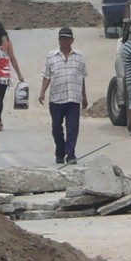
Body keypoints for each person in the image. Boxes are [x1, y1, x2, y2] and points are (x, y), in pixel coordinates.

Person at [38, 27, 88, 164]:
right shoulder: (51, 56)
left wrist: (84, 96)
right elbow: (47, 76)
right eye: (61, 38)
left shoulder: (79, 56)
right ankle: (60, 151)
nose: (64, 41)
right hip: (56, 98)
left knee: (72, 128)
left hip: (73, 97)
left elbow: (82, 77)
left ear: (72, 40)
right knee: (56, 128)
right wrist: (42, 92)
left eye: (66, 38)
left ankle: (70, 154)